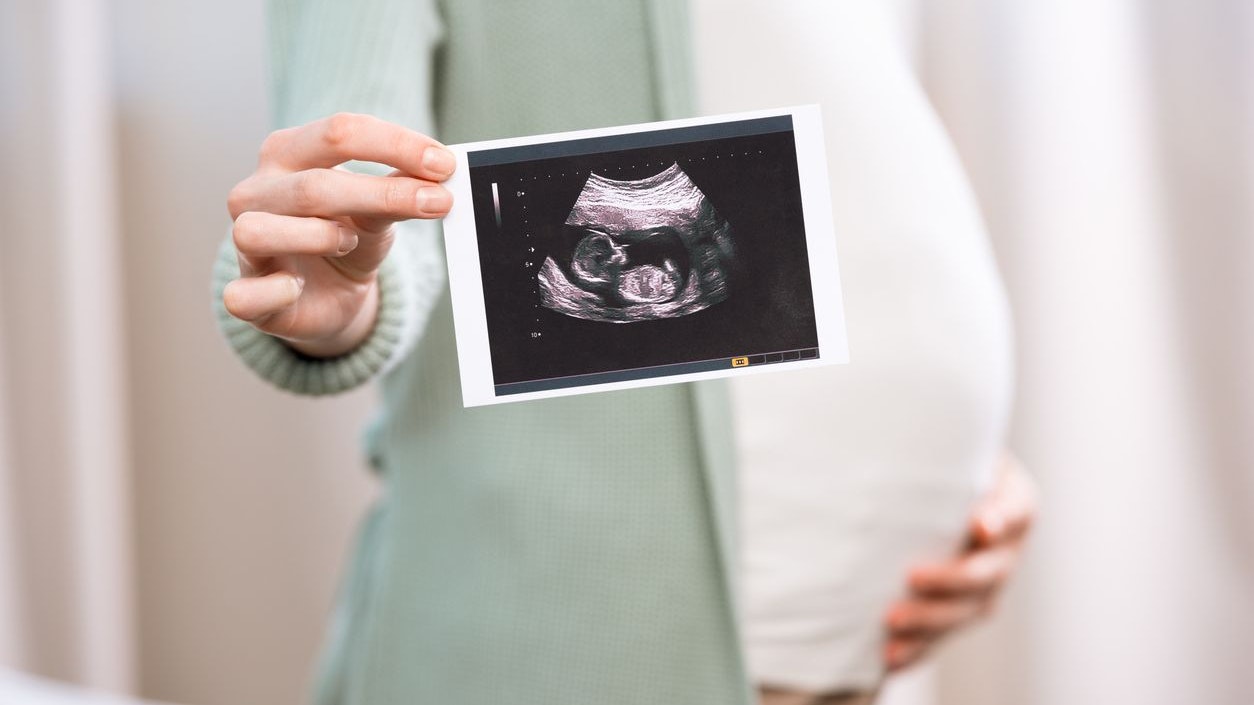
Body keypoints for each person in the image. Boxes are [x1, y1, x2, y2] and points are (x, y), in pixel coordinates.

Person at [214, 1, 1035, 704]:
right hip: (595, 620)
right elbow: (359, 173)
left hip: (878, 648)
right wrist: (340, 284)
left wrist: (954, 474)